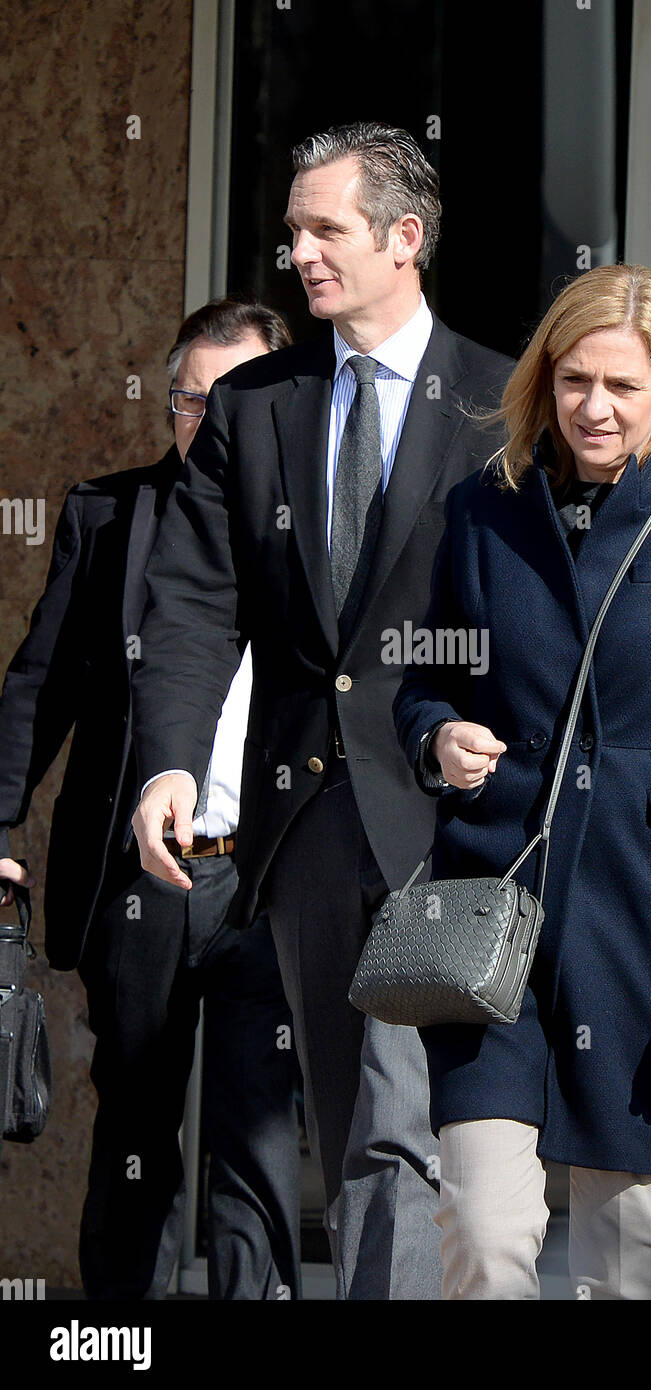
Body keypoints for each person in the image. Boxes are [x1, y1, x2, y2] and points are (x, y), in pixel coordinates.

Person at [129, 122, 513, 1300]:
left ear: (404, 239)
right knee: (350, 1121)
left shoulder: (499, 402)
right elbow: (191, 602)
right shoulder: (254, 407)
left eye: (323, 228)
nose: (297, 251)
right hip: (304, 827)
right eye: (292, 229)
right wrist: (169, 764)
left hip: (451, 816)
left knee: (397, 1129)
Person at [393, 263, 651, 1300]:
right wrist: (438, 736)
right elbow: (420, 687)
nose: (593, 406)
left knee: (624, 1266)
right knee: (486, 1239)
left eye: (622, 385)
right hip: (492, 928)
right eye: (574, 379)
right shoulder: (481, 515)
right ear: (544, 380)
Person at [0, 296, 303, 1301]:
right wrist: (0, 822)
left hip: (270, 879)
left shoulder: (321, 529)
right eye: (188, 399)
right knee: (133, 1128)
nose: (208, 419)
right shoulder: (107, 513)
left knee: (256, 1133)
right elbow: (36, 686)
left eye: (236, 396)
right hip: (149, 879)